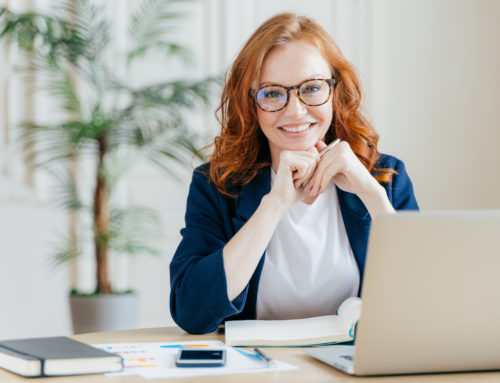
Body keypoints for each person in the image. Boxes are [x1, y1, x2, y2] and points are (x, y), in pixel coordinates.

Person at [169, 13, 418, 334]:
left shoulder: (386, 176)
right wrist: (274, 205)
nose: (295, 110)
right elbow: (192, 312)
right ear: (251, 104)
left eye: (312, 88)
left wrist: (372, 195)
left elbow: (424, 301)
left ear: (335, 90)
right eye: (272, 93)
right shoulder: (216, 185)